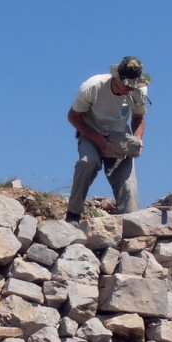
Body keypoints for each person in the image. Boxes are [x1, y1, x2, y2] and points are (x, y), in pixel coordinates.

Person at [65, 56, 150, 222]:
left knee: (128, 187)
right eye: (127, 85)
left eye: (133, 85)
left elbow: (138, 118)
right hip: (91, 132)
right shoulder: (92, 87)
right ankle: (73, 215)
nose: (130, 89)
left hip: (120, 138)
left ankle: (128, 227)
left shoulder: (139, 92)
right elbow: (73, 116)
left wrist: (137, 140)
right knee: (87, 162)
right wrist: (96, 138)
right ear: (116, 78)